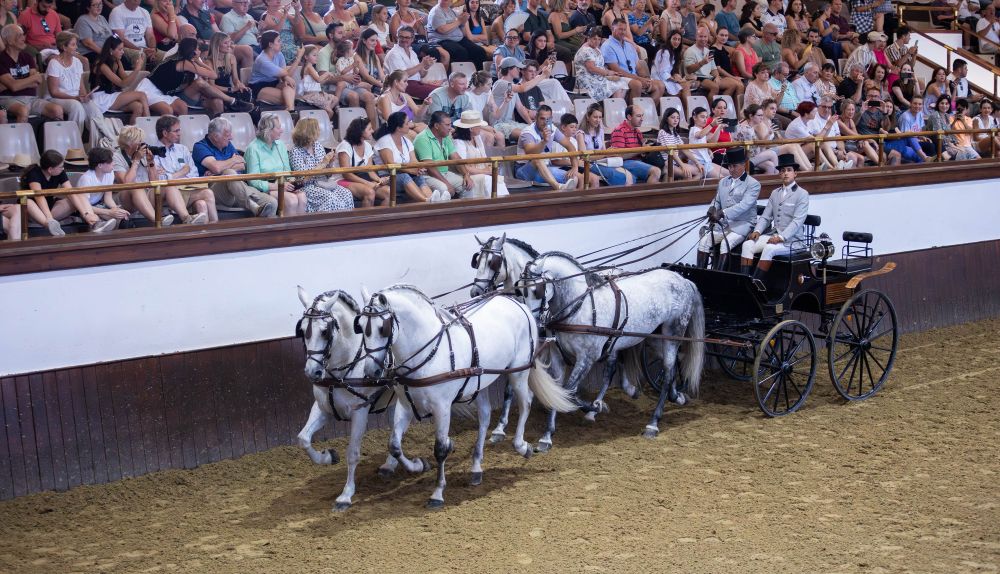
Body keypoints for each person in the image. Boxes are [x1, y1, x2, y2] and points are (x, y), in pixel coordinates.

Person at [740, 153, 809, 280]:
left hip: (792, 241)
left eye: (789, 170)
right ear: (779, 174)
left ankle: (756, 283)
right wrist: (757, 231)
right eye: (783, 171)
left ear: (795, 173)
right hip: (773, 236)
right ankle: (745, 280)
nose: (786, 173)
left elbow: (797, 221)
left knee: (769, 248)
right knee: (747, 245)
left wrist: (781, 237)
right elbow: (766, 217)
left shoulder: (802, 194)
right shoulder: (775, 193)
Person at [192, 116, 278, 217]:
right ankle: (251, 203)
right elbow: (216, 167)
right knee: (229, 174)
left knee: (272, 202)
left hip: (239, 188)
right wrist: (232, 161)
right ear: (215, 136)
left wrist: (220, 170)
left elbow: (242, 165)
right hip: (216, 191)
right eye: (227, 135)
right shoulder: (200, 146)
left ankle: (263, 231)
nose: (231, 137)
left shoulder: (227, 144)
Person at [22, 150, 118, 234]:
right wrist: (49, 218)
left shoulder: (59, 172)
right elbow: (40, 197)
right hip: (33, 212)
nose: (63, 169)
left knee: (77, 195)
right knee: (28, 202)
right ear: (50, 169)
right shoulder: (34, 173)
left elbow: (71, 192)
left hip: (50, 209)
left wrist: (86, 214)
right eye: (60, 167)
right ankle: (50, 225)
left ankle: (95, 224)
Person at [148, 37, 247, 116]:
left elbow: (213, 75)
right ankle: (232, 101)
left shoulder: (189, 61)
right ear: (192, 50)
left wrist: (198, 62)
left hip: (173, 93)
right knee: (199, 82)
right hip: (152, 89)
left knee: (216, 100)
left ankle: (222, 117)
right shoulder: (184, 62)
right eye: (198, 49)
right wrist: (199, 62)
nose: (200, 51)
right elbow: (214, 75)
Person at [698, 147, 760, 269]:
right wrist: (712, 209)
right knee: (704, 241)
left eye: (734, 166)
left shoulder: (753, 184)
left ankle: (720, 276)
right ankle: (701, 273)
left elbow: (744, 205)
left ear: (743, 165)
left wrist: (722, 213)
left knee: (725, 244)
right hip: (724, 225)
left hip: (743, 224)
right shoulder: (723, 182)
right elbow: (717, 200)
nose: (731, 169)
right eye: (729, 166)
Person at [152, 115, 216, 224]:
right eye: (176, 131)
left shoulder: (183, 149)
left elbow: (193, 173)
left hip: (188, 189)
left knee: (203, 202)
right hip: (168, 194)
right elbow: (159, 178)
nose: (179, 133)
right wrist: (182, 171)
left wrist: (171, 175)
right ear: (165, 133)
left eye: (179, 130)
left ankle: (213, 228)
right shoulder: (153, 152)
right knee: (205, 195)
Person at [111, 125, 177, 226]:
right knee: (136, 188)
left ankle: (187, 217)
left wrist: (151, 162)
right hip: (125, 198)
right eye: (139, 141)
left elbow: (155, 181)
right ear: (129, 143)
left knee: (169, 187)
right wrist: (136, 160)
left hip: (145, 194)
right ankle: (157, 220)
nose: (142, 144)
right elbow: (126, 183)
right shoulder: (117, 157)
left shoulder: (141, 153)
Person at [0, 24, 63, 123]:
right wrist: (25, 81)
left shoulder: (27, 57)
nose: (23, 38)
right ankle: (21, 138)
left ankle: (51, 138)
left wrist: (16, 82)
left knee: (57, 110)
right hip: (8, 99)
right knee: (23, 110)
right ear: (8, 40)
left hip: (31, 99)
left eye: (23, 35)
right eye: (19, 35)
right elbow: (14, 86)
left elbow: (37, 80)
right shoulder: (1, 59)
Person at [289, 118, 355, 212]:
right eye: (317, 129)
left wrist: (330, 162)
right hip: (309, 187)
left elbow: (327, 174)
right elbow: (302, 179)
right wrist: (323, 163)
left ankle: (346, 225)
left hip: (325, 183)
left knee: (347, 194)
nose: (319, 131)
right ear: (310, 132)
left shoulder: (318, 146)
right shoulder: (295, 152)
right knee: (330, 199)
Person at [245, 113, 306, 215]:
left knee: (302, 197)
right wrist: (279, 186)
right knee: (292, 200)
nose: (281, 131)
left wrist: (292, 184)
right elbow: (253, 181)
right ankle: (286, 231)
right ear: (268, 130)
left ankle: (300, 230)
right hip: (263, 189)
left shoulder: (280, 145)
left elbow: (287, 171)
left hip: (282, 184)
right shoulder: (253, 148)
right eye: (278, 128)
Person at [373, 111, 437, 202]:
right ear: (399, 128)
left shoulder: (406, 141)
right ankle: (426, 200)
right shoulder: (385, 141)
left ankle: (435, 202)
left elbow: (414, 160)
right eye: (407, 123)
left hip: (404, 173)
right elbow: (390, 164)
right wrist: (411, 170)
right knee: (405, 176)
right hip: (388, 177)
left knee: (418, 177)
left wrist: (418, 168)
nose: (410, 125)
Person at [515, 104, 580, 190]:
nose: (545, 122)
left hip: (544, 168)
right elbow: (530, 153)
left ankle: (565, 201)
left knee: (573, 178)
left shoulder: (552, 129)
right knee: (537, 158)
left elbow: (570, 146)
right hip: (524, 171)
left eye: (548, 119)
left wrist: (575, 167)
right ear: (536, 118)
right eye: (542, 119)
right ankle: (557, 187)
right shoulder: (527, 132)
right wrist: (544, 141)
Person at [414, 110, 476, 199]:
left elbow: (456, 157)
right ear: (436, 126)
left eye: (450, 124)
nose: (450, 128)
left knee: (468, 186)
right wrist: (447, 183)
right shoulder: (422, 139)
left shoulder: (445, 136)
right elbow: (430, 167)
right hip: (427, 176)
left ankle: (463, 212)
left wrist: (466, 174)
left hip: (445, 173)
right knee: (444, 188)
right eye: (447, 125)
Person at [89, 35, 150, 123]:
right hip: (101, 98)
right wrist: (137, 69)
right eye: (120, 49)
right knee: (141, 95)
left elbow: (126, 79)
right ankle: (150, 124)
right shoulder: (102, 65)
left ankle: (132, 134)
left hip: (113, 95)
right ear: (110, 50)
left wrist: (136, 69)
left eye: (123, 49)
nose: (122, 52)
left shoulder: (117, 61)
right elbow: (122, 83)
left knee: (138, 107)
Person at [452, 110, 508, 198]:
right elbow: (462, 166)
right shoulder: (459, 142)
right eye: (478, 126)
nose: (480, 127)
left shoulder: (477, 137)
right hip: (467, 176)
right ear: (471, 129)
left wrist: (490, 167)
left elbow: (484, 158)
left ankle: (503, 204)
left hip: (482, 172)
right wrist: (485, 171)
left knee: (497, 178)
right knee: (489, 179)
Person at [604, 18, 665, 100]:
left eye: (624, 30)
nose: (623, 32)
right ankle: (633, 111)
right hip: (620, 78)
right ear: (612, 28)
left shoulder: (629, 45)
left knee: (660, 85)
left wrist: (645, 78)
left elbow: (638, 66)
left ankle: (648, 111)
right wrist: (639, 79)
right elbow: (617, 70)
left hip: (634, 77)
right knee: (637, 84)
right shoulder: (607, 46)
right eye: (620, 29)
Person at [335, 116, 390, 206]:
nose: (372, 131)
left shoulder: (367, 146)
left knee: (388, 192)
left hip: (360, 179)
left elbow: (370, 170)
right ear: (360, 131)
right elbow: (346, 174)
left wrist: (379, 180)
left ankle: (380, 219)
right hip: (341, 180)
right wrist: (367, 183)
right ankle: (365, 220)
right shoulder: (345, 146)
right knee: (369, 192)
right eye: (369, 129)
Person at [77, 147, 133, 230]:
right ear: (100, 165)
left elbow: (108, 198)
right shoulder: (86, 178)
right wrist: (109, 212)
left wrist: (116, 210)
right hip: (85, 209)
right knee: (95, 219)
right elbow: (84, 206)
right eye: (110, 162)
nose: (113, 164)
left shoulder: (109, 174)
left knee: (124, 219)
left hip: (99, 205)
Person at [384, 25, 441, 100]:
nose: (404, 39)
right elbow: (400, 76)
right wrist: (422, 64)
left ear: (412, 39)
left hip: (417, 84)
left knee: (443, 89)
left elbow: (422, 75)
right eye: (401, 37)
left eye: (407, 37)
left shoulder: (412, 52)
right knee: (439, 93)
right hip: (403, 86)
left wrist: (426, 66)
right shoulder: (394, 53)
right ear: (397, 37)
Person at [250, 29, 302, 111]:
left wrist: (286, 78)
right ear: (270, 44)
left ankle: (290, 110)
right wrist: (298, 58)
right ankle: (291, 110)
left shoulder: (279, 54)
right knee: (289, 97)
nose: (281, 43)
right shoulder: (263, 60)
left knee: (290, 85)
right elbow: (286, 73)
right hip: (259, 87)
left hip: (274, 83)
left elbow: (285, 74)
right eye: (278, 41)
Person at [574, 27, 631, 102]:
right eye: (594, 39)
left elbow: (600, 66)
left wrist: (612, 73)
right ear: (588, 38)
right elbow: (591, 68)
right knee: (618, 87)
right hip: (588, 79)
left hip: (597, 78)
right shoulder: (585, 50)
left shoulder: (596, 49)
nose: (597, 41)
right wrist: (608, 73)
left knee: (622, 83)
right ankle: (614, 109)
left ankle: (615, 108)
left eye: (599, 39)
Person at [609, 104, 662, 183]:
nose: (642, 119)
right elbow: (618, 156)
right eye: (638, 116)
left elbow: (640, 151)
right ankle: (649, 195)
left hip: (638, 161)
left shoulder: (637, 131)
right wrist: (641, 150)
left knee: (666, 168)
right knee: (656, 171)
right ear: (629, 117)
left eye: (642, 116)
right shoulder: (619, 131)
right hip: (625, 163)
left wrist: (645, 150)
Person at [685, 25, 741, 99]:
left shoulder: (708, 51)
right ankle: (712, 109)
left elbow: (714, 68)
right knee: (715, 87)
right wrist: (702, 63)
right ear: (696, 37)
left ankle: (721, 104)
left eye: (705, 37)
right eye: (700, 36)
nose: (703, 39)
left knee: (733, 84)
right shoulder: (690, 51)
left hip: (709, 77)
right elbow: (689, 70)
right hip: (699, 78)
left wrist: (717, 76)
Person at [427, 0, 488, 66]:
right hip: (442, 40)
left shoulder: (451, 11)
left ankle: (479, 74)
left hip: (458, 39)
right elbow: (442, 30)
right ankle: (459, 75)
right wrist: (459, 21)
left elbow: (462, 29)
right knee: (461, 52)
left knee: (479, 51)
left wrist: (463, 21)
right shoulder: (436, 11)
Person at [109, 0, 161, 69]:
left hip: (145, 48)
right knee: (140, 55)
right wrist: (141, 50)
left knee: (166, 56)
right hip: (125, 48)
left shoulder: (144, 12)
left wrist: (153, 50)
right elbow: (120, 39)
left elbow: (150, 36)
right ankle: (139, 79)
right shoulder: (117, 12)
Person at [377, 70, 426, 137]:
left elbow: (418, 113)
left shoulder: (405, 96)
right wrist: (413, 125)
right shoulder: (385, 98)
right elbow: (390, 121)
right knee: (415, 136)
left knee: (426, 130)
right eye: (405, 81)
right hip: (391, 130)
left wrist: (425, 104)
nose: (407, 84)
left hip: (406, 126)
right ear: (396, 82)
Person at [657, 106, 699, 180]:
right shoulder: (662, 132)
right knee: (687, 174)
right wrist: (683, 165)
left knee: (700, 171)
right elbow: (671, 151)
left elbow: (685, 150)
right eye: (673, 117)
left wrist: (697, 163)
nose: (676, 120)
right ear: (666, 119)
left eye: (678, 118)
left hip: (676, 163)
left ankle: (684, 190)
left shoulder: (675, 133)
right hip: (667, 163)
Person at [734, 104, 779, 174]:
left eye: (762, 115)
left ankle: (763, 184)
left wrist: (769, 133)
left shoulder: (748, 125)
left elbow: (759, 146)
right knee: (772, 153)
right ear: (751, 116)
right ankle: (778, 178)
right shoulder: (746, 130)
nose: (762, 118)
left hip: (751, 156)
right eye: (759, 115)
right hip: (745, 159)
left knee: (770, 166)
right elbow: (758, 148)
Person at [296, 44, 338, 118]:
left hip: (317, 93)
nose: (317, 57)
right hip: (311, 95)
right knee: (330, 112)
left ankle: (323, 114)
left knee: (335, 99)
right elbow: (318, 80)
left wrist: (327, 78)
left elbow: (319, 83)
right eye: (314, 55)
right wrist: (327, 73)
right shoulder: (309, 67)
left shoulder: (311, 67)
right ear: (306, 57)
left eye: (317, 55)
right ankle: (325, 122)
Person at [688, 106, 729, 178]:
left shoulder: (702, 130)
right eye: (702, 117)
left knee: (729, 174)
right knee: (723, 179)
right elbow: (700, 135)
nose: (705, 120)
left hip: (707, 162)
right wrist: (712, 124)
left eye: (706, 117)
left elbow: (713, 142)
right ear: (694, 117)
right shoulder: (694, 129)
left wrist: (719, 128)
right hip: (699, 163)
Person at [17, 0, 60, 65]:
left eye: (49, 7)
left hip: (54, 47)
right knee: (56, 61)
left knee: (79, 59)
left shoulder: (53, 14)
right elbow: (20, 42)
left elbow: (59, 35)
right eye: (44, 6)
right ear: (37, 2)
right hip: (37, 49)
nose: (47, 10)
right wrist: (38, 46)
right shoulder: (25, 16)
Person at [75, 0, 113, 67]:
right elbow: (88, 43)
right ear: (88, 7)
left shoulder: (102, 18)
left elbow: (111, 36)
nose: (99, 7)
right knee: (110, 62)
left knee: (124, 60)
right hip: (90, 53)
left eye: (100, 4)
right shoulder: (82, 20)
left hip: (106, 51)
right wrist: (106, 53)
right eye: (95, 5)